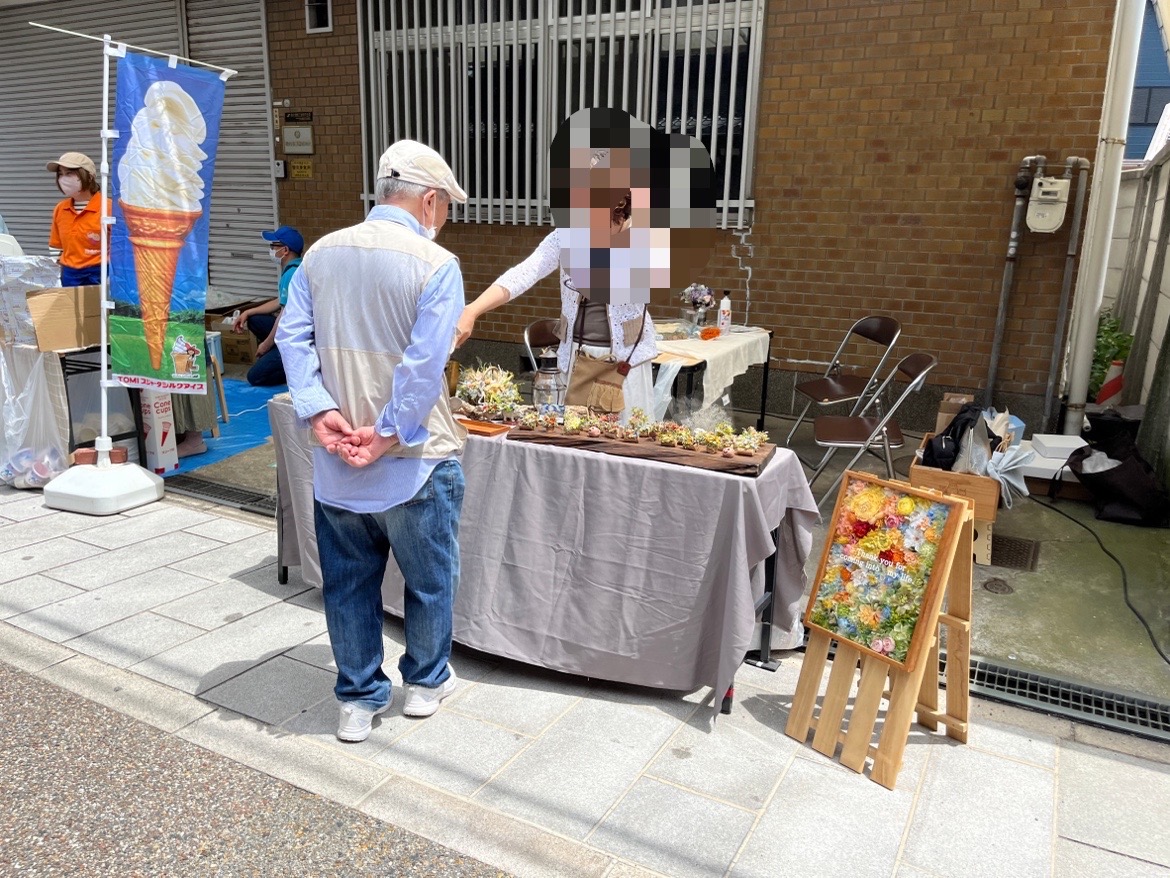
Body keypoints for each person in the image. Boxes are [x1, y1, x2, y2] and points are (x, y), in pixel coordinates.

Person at [276, 140, 468, 743]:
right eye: (445, 207)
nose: (444, 218)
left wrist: (318, 410)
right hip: (414, 456)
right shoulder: (435, 265)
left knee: (349, 580)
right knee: (430, 578)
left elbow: (293, 338)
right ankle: (427, 682)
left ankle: (358, 698)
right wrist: (387, 433)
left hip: (337, 457)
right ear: (429, 201)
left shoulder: (321, 255)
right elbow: (423, 366)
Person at [456, 135, 656, 422]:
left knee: (626, 448)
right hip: (576, 361)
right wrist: (472, 310)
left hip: (626, 364)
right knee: (576, 447)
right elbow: (525, 271)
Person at [232, 226, 304, 386]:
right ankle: (277, 356)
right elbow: (280, 301)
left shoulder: (292, 274)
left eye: (273, 246)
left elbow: (283, 316)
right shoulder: (297, 268)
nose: (271, 250)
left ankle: (291, 367)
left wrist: (266, 345)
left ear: (285, 250)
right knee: (255, 319)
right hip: (293, 331)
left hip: (296, 339)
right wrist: (248, 312)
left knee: (255, 377)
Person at [46, 152, 106, 286]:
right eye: (60, 174)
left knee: (95, 308)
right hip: (69, 274)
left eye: (69, 173)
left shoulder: (108, 208)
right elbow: (56, 246)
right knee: (72, 307)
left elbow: (121, 248)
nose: (63, 179)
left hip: (100, 273)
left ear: (88, 177)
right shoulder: (60, 209)